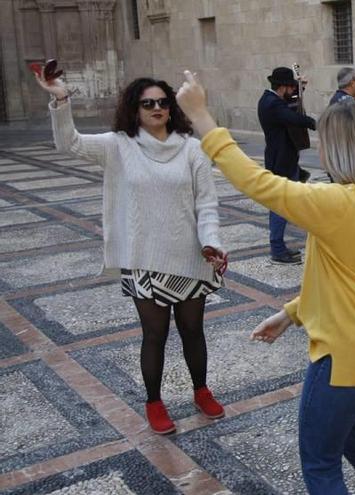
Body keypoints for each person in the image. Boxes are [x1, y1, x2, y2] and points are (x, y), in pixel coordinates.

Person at [177, 71, 355, 494]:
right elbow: (354, 280)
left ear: (334, 147)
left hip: (346, 358)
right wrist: (291, 313)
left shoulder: (335, 202)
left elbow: (256, 182)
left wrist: (201, 116)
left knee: (320, 464)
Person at [37, 72, 227, 435]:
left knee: (193, 330)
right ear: (134, 109)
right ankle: (154, 402)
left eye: (163, 102)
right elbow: (69, 143)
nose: (157, 108)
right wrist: (61, 100)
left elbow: (207, 205)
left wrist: (213, 241)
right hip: (143, 259)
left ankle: (201, 391)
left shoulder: (192, 148)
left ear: (172, 107)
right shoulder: (118, 146)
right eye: (148, 103)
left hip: (190, 257)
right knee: (153, 335)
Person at [259, 67, 316, 264]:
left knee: (287, 202)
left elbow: (290, 106)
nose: (291, 90)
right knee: (280, 206)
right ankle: (277, 250)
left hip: (285, 159)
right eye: (290, 86)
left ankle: (280, 247)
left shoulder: (272, 100)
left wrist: (301, 90)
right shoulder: (272, 103)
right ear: (282, 86)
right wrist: (314, 123)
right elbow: (292, 116)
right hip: (280, 161)